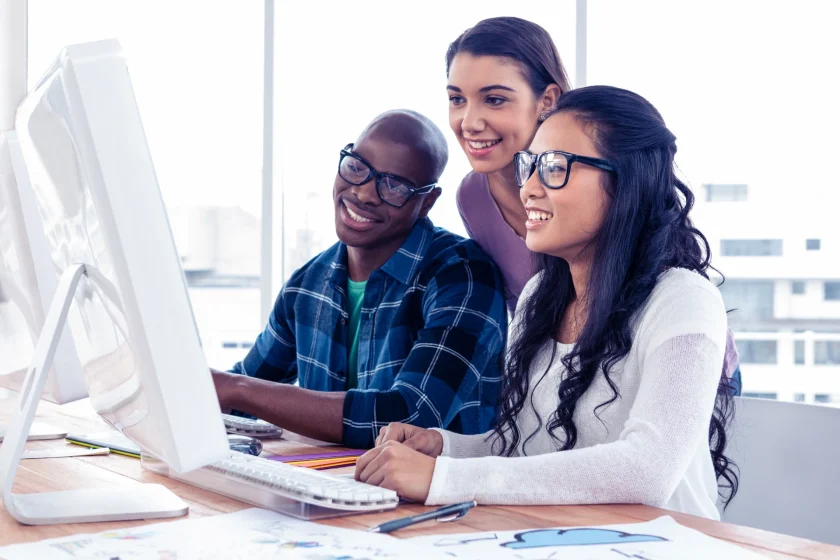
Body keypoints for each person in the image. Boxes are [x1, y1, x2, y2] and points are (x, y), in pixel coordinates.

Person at [355, 86, 739, 520]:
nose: (529, 188)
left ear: (626, 182)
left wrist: (442, 479)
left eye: (555, 167)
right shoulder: (540, 295)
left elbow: (647, 470)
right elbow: (526, 447)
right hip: (563, 540)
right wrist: (445, 447)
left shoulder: (684, 299)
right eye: (530, 165)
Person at [445, 15, 742, 391]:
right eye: (456, 99)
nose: (469, 122)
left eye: (494, 99)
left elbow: (655, 287)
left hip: (673, 365)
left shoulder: (604, 176)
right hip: (578, 376)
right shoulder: (473, 198)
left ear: (547, 100)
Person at [212, 110, 507, 449]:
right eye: (356, 168)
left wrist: (236, 389)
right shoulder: (306, 285)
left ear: (426, 202)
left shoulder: (463, 275)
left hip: (444, 496)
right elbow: (237, 396)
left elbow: (412, 417)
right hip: (333, 490)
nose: (365, 193)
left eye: (394, 186)